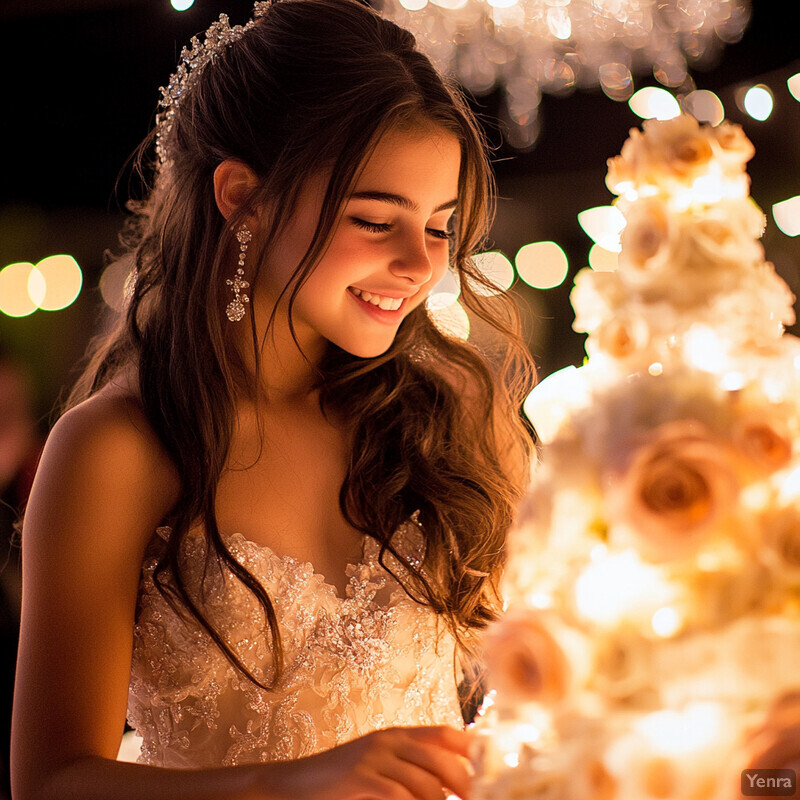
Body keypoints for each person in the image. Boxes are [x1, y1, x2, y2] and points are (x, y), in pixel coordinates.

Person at [11, 0, 535, 798]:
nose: (419, 264)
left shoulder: (452, 417)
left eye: (439, 226)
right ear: (241, 195)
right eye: (374, 218)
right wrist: (293, 783)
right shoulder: (117, 448)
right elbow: (51, 782)